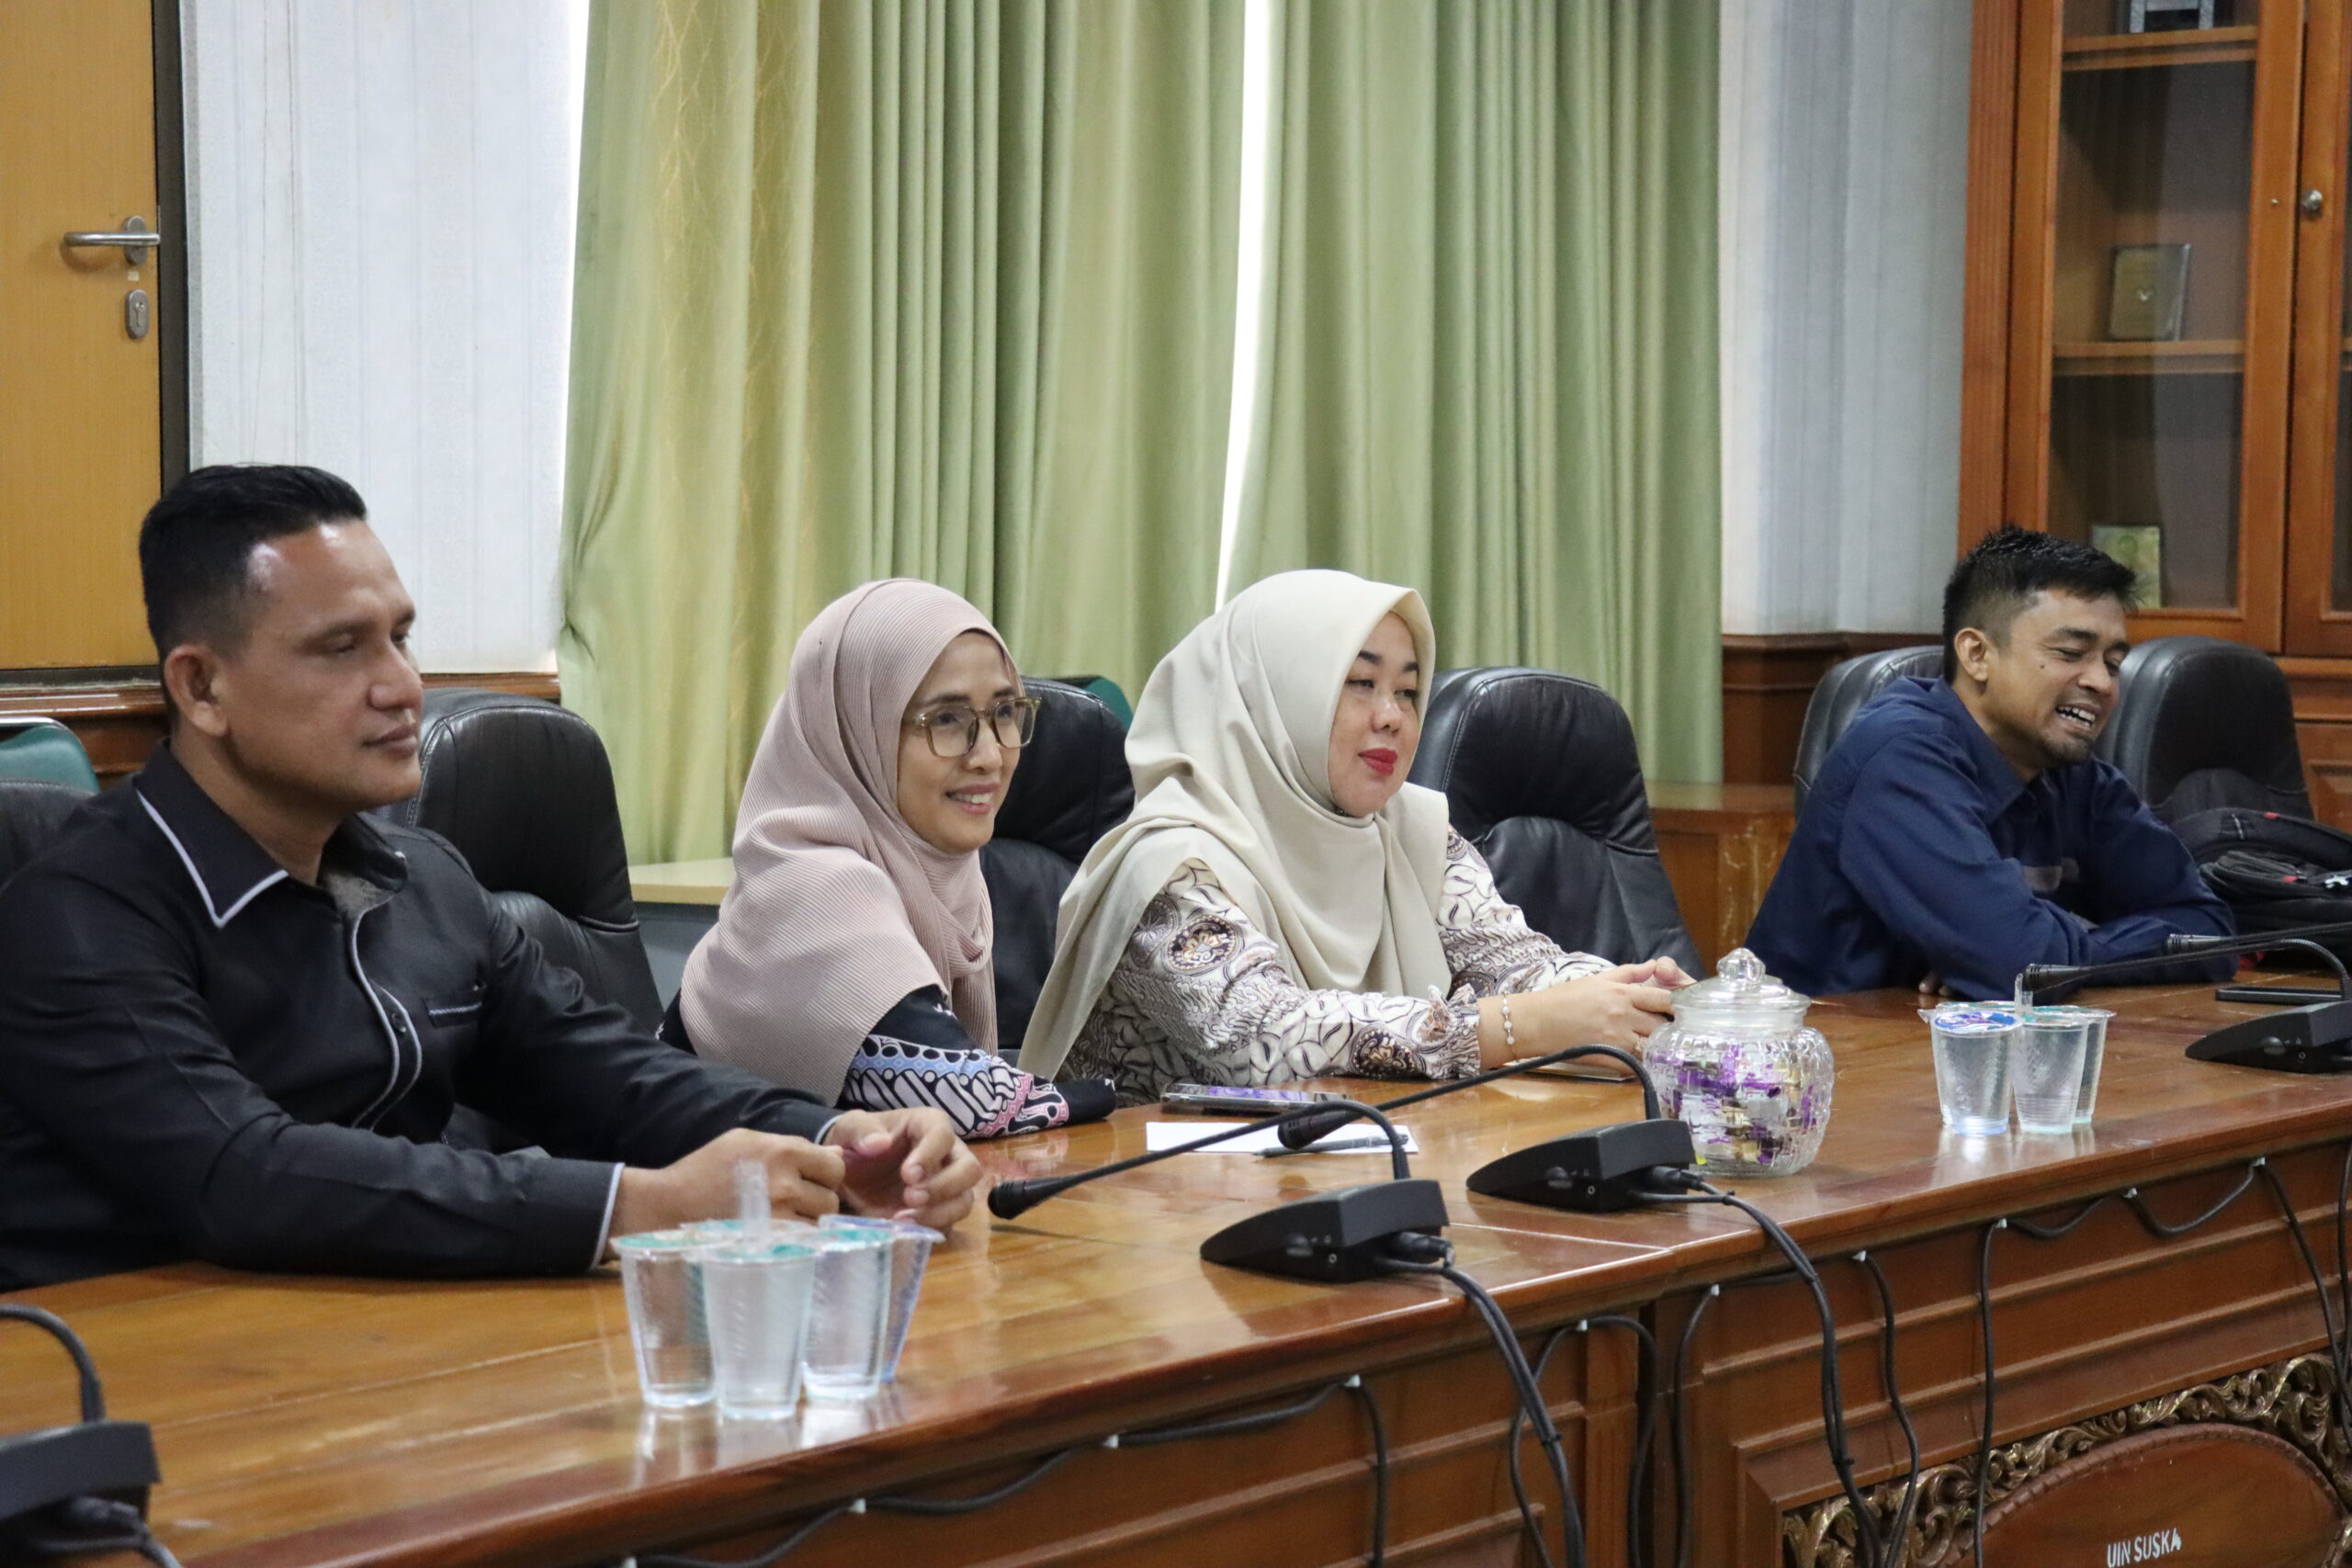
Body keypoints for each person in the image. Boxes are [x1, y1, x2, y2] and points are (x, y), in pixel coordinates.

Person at [0, 466, 979, 1292]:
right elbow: (242, 1174)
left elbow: (609, 1078)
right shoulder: (79, 913)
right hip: (133, 1379)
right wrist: (635, 1205)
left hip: (387, 1346)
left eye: (400, 636)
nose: (401, 686)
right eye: (342, 648)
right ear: (201, 687)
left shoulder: (422, 879)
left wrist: (841, 1140)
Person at [1018, 569, 1688, 1104]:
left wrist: (1636, 996)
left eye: (1409, 690)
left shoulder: (1412, 830)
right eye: (1362, 683)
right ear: (1273, 698)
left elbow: (1512, 962)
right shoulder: (1166, 867)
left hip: (1361, 1179)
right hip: (1154, 1208)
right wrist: (1516, 1027)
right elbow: (1267, 1037)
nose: (1392, 716)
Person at [667, 580, 1113, 1138]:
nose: (990, 755)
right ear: (856, 730)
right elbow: (976, 1103)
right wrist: (1127, 1092)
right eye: (946, 719)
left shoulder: (946, 876)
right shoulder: (816, 888)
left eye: (1005, 712)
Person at [1746, 527, 2233, 1001]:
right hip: (1826, 1048)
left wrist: (2067, 951)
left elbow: (2210, 931)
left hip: (1958, 1044)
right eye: (2070, 653)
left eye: (2112, 663)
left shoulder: (2072, 771)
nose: (2103, 684)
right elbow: (2020, 959)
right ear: (1977, 654)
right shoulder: (1900, 756)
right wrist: (2035, 954)